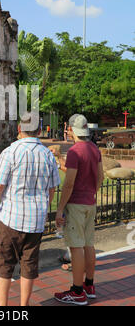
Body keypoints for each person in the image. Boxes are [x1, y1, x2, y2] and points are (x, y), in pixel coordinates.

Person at [0, 118, 61, 306]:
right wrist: (44, 205)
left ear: (19, 128)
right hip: (35, 220)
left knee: (4, 261)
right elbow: (52, 188)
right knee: (29, 263)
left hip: (12, 216)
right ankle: (24, 305)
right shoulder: (48, 155)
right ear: (40, 130)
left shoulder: (10, 152)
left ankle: (2, 305)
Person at [54, 114, 104, 306]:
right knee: (88, 244)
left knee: (76, 246)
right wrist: (91, 192)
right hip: (90, 202)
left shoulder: (75, 151)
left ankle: (77, 291)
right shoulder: (94, 148)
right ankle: (89, 285)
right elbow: (100, 176)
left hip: (75, 203)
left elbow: (69, 183)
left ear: (72, 130)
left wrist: (59, 209)